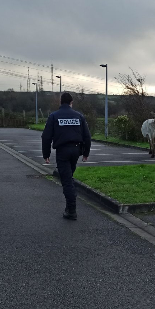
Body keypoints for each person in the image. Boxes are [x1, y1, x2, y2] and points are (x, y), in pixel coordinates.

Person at [41, 92, 91, 220]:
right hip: (75, 150)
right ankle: (70, 204)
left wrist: (46, 154)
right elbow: (87, 136)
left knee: (67, 181)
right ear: (71, 102)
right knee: (69, 177)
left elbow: (46, 137)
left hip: (62, 151)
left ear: (60, 102)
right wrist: (86, 153)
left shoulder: (54, 116)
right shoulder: (79, 116)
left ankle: (71, 210)